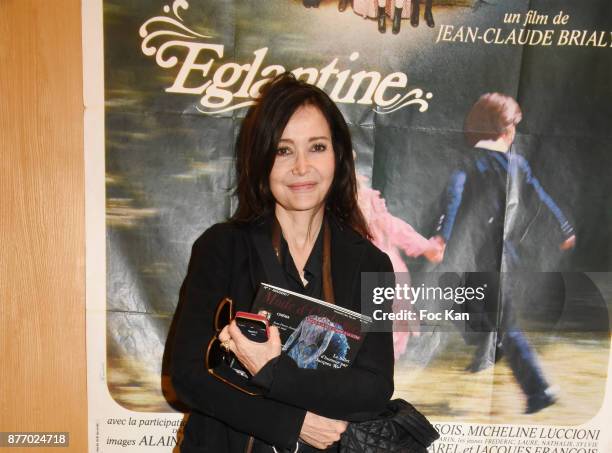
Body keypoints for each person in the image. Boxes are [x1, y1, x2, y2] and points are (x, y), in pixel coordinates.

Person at [170, 73, 395, 453]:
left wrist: (272, 372)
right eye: (283, 150)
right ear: (260, 160)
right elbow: (189, 376)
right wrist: (293, 423)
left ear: (338, 156)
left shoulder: (374, 263)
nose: (302, 167)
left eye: (317, 147)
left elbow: (374, 388)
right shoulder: (220, 247)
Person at [427, 93, 575, 414]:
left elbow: (452, 199)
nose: (514, 135)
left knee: (502, 322)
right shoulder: (513, 163)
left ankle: (539, 389)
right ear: (505, 131)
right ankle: (491, 345)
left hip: (482, 260)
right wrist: (564, 228)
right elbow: (540, 198)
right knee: (468, 304)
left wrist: (441, 236)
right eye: (513, 128)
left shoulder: (470, 163)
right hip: (499, 260)